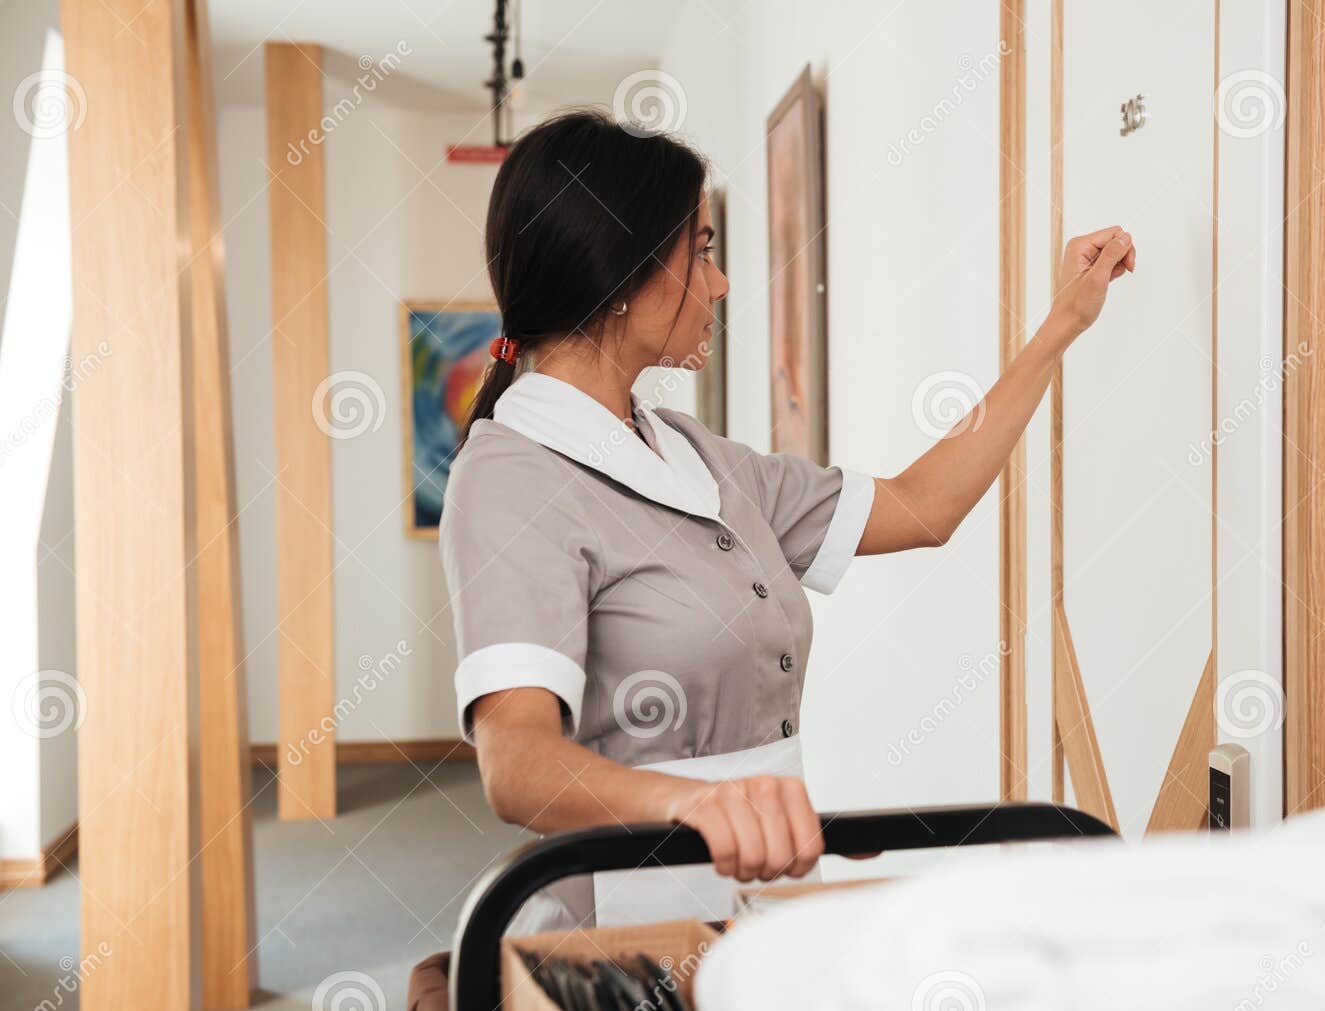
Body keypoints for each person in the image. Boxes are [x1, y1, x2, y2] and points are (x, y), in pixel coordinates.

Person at [440, 108, 1134, 931]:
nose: (722, 281)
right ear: (623, 273)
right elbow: (516, 766)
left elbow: (922, 506)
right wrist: (696, 807)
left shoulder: (695, 457)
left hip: (757, 891)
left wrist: (1059, 328)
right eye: (700, 250)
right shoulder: (511, 476)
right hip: (627, 922)